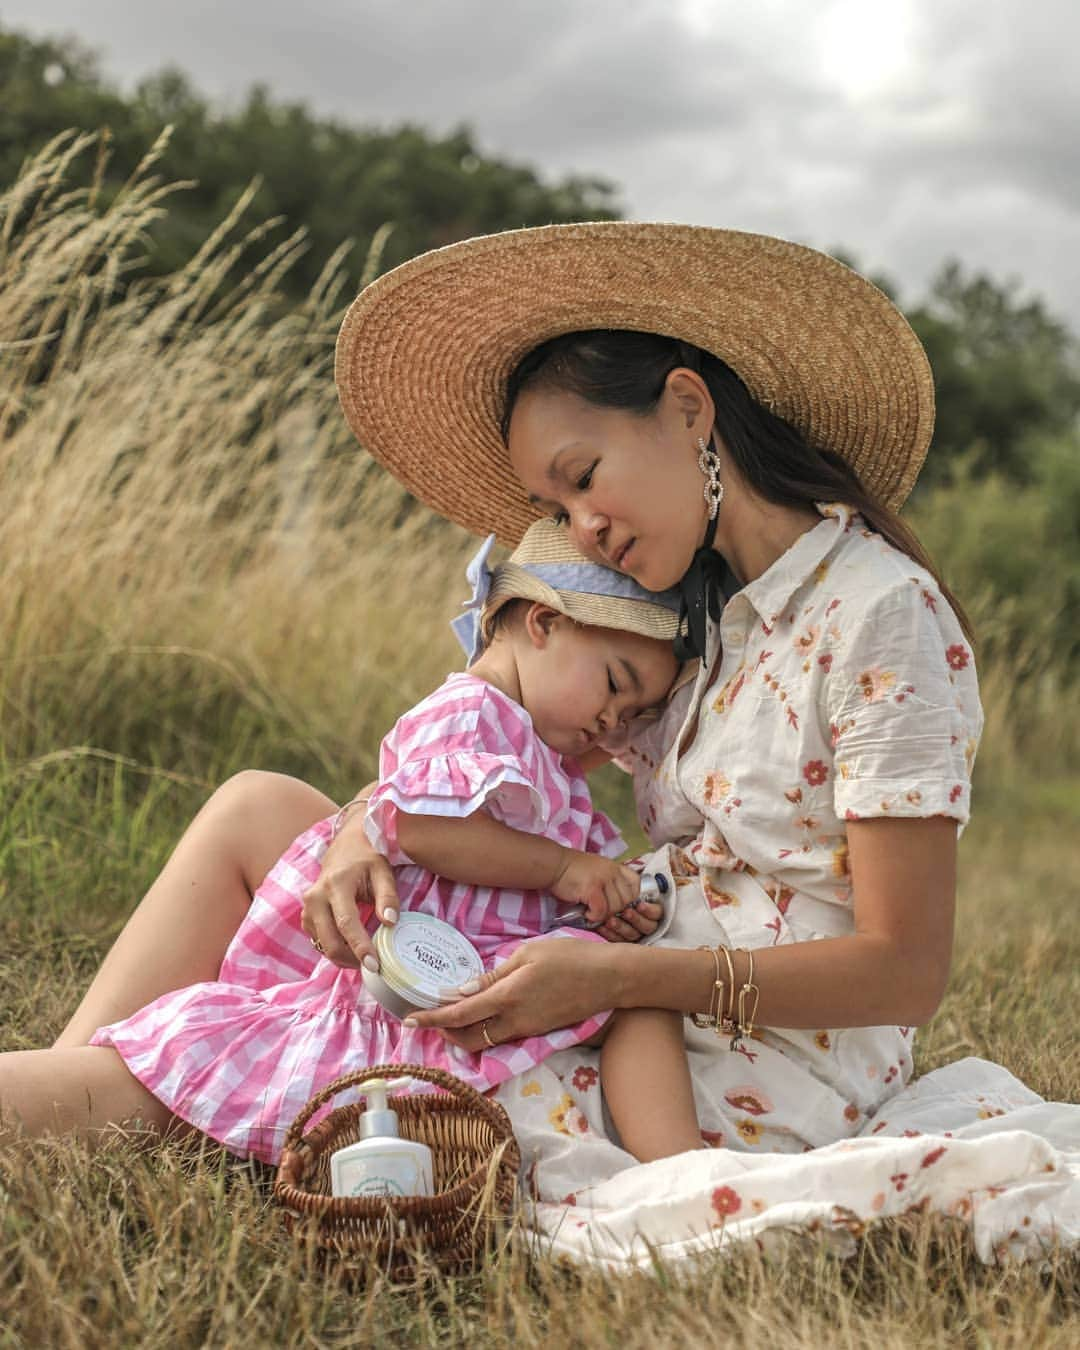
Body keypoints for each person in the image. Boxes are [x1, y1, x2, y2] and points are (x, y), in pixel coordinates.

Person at [329, 222, 984, 1175]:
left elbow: (906, 972)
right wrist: (359, 832)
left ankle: (61, 1100)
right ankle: (66, 1076)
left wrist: (620, 974)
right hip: (623, 989)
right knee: (261, 810)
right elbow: (486, 751)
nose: (583, 529)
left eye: (583, 479)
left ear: (687, 409)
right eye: (556, 514)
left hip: (743, 1054)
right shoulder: (692, 627)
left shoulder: (877, 614)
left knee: (343, 1065)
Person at [0, 520, 698, 1164]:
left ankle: (677, 1168)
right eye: (614, 685)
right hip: (406, 989)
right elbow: (423, 829)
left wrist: (596, 907)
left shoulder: (537, 751)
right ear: (542, 623)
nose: (613, 723)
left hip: (466, 969)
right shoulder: (473, 714)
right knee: (172, 1077)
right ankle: (55, 1096)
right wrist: (565, 870)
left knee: (636, 994)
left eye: (633, 716)